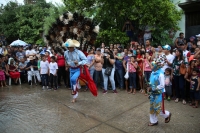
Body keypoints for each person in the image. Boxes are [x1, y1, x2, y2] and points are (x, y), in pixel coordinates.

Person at [147, 56, 172, 126]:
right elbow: (151, 82)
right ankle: (153, 121)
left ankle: (167, 114)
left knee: (157, 107)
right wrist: (149, 86)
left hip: (158, 93)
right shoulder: (152, 72)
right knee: (152, 106)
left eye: (153, 65)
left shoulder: (160, 74)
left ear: (157, 66)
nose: (151, 66)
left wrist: (153, 88)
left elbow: (162, 85)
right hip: (153, 93)